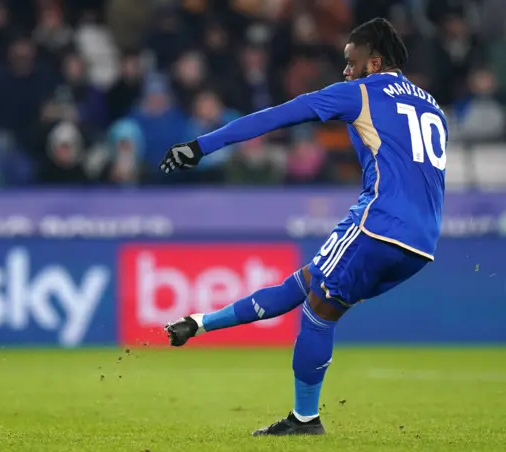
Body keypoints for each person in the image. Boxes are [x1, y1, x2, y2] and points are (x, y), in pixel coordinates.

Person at [159, 18, 447, 436]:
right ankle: (200, 323)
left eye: (351, 63)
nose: (345, 71)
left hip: (380, 222)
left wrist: (202, 145)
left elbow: (279, 116)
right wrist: (201, 322)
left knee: (318, 310)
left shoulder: (362, 91)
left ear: (374, 62)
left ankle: (304, 419)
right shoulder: (431, 105)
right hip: (422, 241)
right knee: (306, 285)